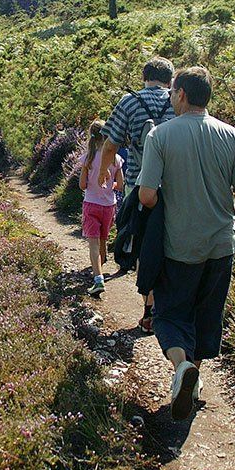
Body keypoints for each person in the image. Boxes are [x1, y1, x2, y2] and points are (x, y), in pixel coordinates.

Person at [136, 66, 235, 421]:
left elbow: (147, 195)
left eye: (172, 93)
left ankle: (182, 367)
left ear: (181, 93)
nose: (169, 97)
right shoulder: (234, 137)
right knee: (204, 316)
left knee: (169, 314)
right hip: (221, 248)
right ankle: (193, 383)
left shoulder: (160, 137)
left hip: (178, 248)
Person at [98, 56, 176, 323]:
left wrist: (102, 174)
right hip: (175, 186)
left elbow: (110, 144)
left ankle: (148, 303)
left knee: (145, 244)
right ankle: (170, 302)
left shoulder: (130, 101)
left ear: (145, 77)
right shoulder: (179, 101)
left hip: (139, 184)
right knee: (171, 243)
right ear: (170, 79)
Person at [79, 120, 124, 296]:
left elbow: (82, 185)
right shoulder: (115, 158)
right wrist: (109, 185)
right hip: (109, 205)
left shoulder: (88, 158)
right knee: (103, 240)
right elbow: (120, 185)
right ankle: (101, 266)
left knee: (93, 243)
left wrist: (92, 182)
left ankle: (98, 279)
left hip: (91, 204)